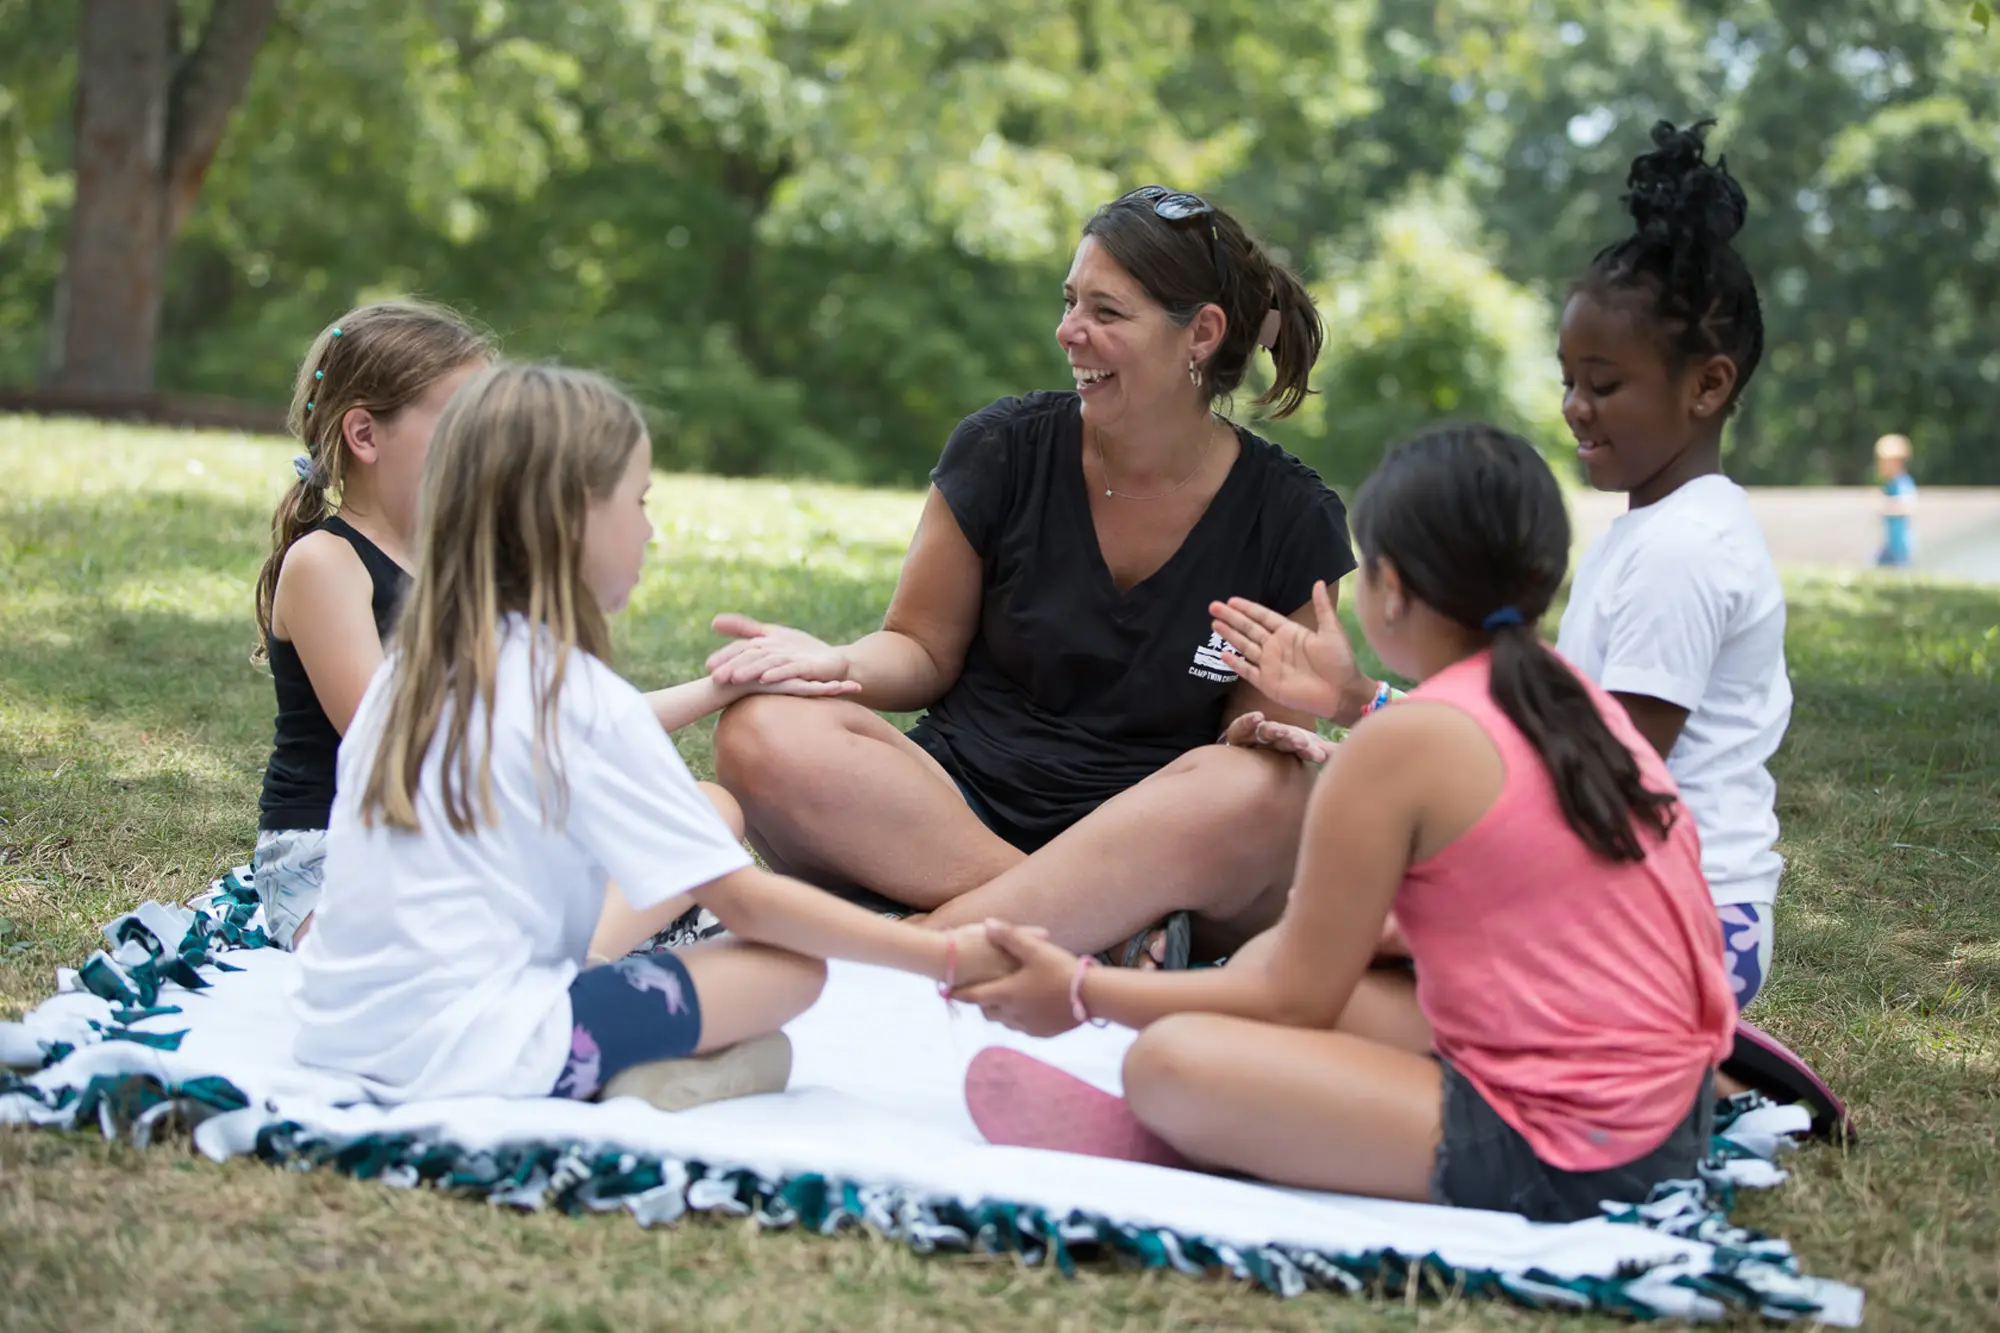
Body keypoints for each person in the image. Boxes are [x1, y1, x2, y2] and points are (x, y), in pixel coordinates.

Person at [956, 423, 1736, 1223]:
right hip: (1669, 1106)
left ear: (1389, 588)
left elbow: (1292, 998)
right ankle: (1272, 1123)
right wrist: (1351, 706)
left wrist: (1082, 990)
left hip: (1588, 1150)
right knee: (1271, 973)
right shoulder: (1568, 698)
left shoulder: (1408, 741)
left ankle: (1185, 1137)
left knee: (1170, 1059)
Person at [292, 365, 1013, 1110]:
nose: (648, 528)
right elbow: (750, 907)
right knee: (792, 967)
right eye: (636, 502)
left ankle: (630, 1034)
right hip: (476, 1054)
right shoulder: (570, 695)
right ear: (574, 516)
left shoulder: (416, 665)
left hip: (335, 1033)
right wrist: (942, 954)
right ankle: (628, 1066)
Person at [704, 186, 1361, 969]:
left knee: (1261, 790)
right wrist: (836, 663)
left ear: (1202, 334)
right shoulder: (1003, 448)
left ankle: (921, 944)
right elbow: (918, 646)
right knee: (760, 728)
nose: (1068, 332)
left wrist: (1262, 738)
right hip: (953, 814)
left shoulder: (1289, 518)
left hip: (1150, 837)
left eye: (1106, 312)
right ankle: (1098, 936)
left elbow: (1260, 738)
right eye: (1069, 301)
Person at [250, 301, 492, 950]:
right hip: (339, 855)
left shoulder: (457, 563)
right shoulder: (325, 564)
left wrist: (720, 686)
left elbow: (565, 710)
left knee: (702, 813)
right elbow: (394, 744)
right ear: (365, 434)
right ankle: (585, 991)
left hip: (449, 834)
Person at [1874, 433, 1917, 568]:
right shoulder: (1890, 485)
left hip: (1900, 549)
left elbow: (1908, 505)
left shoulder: (1902, 483)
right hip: (1890, 547)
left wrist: (1885, 506)